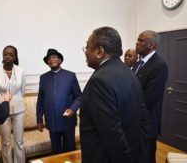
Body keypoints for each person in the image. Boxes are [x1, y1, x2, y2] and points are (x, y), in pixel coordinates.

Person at [80, 26, 151, 163]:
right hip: (133, 150)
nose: (85, 52)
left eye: (87, 47)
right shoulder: (129, 72)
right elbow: (144, 118)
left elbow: (112, 134)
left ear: (100, 51)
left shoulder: (98, 81)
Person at [36, 49, 82, 154]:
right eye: (49, 58)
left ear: (60, 60)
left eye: (54, 57)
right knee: (55, 151)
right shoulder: (43, 78)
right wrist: (39, 119)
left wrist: (72, 109)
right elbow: (40, 100)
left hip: (68, 121)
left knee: (70, 150)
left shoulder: (70, 76)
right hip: (51, 121)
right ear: (47, 63)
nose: (51, 59)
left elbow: (79, 96)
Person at [133, 30, 168, 163]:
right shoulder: (138, 64)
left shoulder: (159, 65)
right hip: (135, 120)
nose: (137, 43)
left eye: (141, 40)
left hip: (147, 122)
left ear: (152, 45)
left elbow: (149, 98)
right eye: (137, 39)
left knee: (146, 156)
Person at [0, 45, 26, 163]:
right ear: (2, 56)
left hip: (19, 110)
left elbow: (23, 91)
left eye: (11, 55)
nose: (8, 57)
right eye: (6, 54)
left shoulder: (20, 71)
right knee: (5, 142)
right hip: (3, 111)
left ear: (15, 57)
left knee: (19, 141)